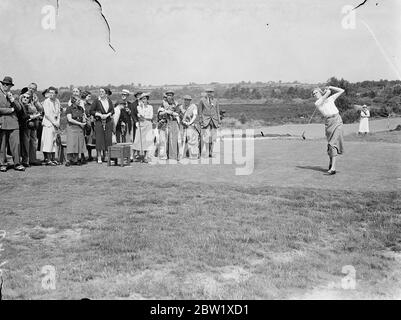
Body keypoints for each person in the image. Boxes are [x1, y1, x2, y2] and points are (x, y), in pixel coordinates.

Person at [312, 86, 345, 175]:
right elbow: (325, 96)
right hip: (328, 123)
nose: (315, 94)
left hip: (337, 120)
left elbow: (342, 90)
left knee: (332, 144)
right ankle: (331, 162)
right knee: (330, 145)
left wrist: (331, 87)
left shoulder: (330, 99)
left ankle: (333, 169)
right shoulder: (317, 103)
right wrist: (327, 92)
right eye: (313, 94)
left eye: (316, 92)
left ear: (320, 92)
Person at [0, 76, 25, 172]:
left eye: (8, 85)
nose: (6, 86)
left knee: (16, 145)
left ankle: (17, 164)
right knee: (2, 146)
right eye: (5, 84)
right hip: (2, 123)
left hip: (14, 124)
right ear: (2, 84)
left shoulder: (13, 95)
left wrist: (12, 99)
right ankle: (2, 164)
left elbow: (19, 109)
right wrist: (10, 110)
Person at [18, 87, 43, 167]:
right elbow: (24, 116)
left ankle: (32, 159)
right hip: (25, 125)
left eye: (27, 98)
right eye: (24, 97)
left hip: (32, 125)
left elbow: (40, 109)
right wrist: (34, 115)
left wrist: (36, 102)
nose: (25, 98)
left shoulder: (32, 102)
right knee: (25, 142)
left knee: (33, 141)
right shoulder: (20, 104)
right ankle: (25, 160)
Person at [90, 88, 114, 164]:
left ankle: (108, 157)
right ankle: (99, 157)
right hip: (99, 122)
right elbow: (91, 111)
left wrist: (108, 115)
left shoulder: (109, 101)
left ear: (106, 93)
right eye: (100, 91)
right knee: (99, 139)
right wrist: (99, 115)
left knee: (108, 139)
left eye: (102, 92)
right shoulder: (97, 101)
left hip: (108, 122)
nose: (101, 93)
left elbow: (113, 110)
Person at [157, 90, 182, 161]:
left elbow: (177, 114)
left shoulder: (176, 104)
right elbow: (160, 113)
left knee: (174, 140)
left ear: (173, 96)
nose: (169, 96)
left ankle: (174, 155)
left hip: (173, 122)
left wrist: (169, 112)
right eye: (168, 95)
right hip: (164, 122)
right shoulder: (163, 103)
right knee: (163, 140)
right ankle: (163, 155)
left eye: (171, 95)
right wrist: (166, 112)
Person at [41, 86, 61, 166]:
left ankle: (53, 159)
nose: (51, 94)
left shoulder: (57, 101)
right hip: (48, 124)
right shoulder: (46, 101)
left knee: (54, 141)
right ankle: (48, 160)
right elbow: (47, 114)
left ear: (56, 94)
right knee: (48, 141)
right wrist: (54, 122)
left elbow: (58, 112)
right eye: (50, 93)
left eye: (53, 93)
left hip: (55, 124)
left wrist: (58, 122)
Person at [65, 95, 87, 166]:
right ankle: (69, 160)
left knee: (78, 144)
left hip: (79, 128)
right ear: (74, 101)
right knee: (71, 144)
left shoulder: (81, 108)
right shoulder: (69, 108)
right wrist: (80, 123)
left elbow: (83, 116)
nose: (79, 102)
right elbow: (70, 119)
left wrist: (84, 120)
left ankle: (76, 159)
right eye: (78, 100)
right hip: (72, 128)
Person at [198, 88, 221, 158]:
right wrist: (200, 121)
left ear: (213, 93)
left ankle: (211, 152)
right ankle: (207, 151)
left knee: (213, 138)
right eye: (208, 92)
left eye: (211, 92)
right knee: (206, 137)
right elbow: (200, 111)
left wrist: (219, 121)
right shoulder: (202, 100)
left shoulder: (215, 101)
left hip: (214, 121)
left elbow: (217, 111)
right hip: (205, 121)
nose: (209, 93)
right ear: (206, 93)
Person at [132, 93, 154, 163]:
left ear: (147, 99)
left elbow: (151, 116)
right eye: (142, 99)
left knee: (147, 141)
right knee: (138, 140)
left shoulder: (150, 107)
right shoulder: (139, 107)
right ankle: (134, 156)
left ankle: (146, 156)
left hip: (148, 125)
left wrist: (143, 117)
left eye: (145, 98)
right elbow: (141, 115)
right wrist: (143, 108)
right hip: (141, 125)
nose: (144, 100)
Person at [180, 95, 199, 159]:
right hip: (183, 126)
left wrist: (190, 123)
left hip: (192, 126)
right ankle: (182, 154)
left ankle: (193, 155)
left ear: (190, 101)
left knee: (193, 141)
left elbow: (195, 115)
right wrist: (183, 122)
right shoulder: (181, 107)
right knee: (183, 141)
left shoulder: (193, 106)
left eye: (188, 100)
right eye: (185, 100)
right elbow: (179, 116)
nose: (186, 101)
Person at [81, 90, 95, 161]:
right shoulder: (81, 104)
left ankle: (90, 155)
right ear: (85, 96)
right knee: (83, 140)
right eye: (88, 96)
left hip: (90, 124)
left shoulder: (90, 105)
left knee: (89, 140)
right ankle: (82, 155)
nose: (90, 98)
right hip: (83, 123)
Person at [130, 91, 142, 160]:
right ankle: (134, 154)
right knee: (135, 139)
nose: (139, 97)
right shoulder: (133, 104)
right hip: (136, 124)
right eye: (138, 95)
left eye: (140, 95)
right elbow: (132, 114)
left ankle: (140, 153)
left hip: (144, 124)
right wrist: (136, 122)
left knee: (142, 139)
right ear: (136, 96)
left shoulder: (144, 103)